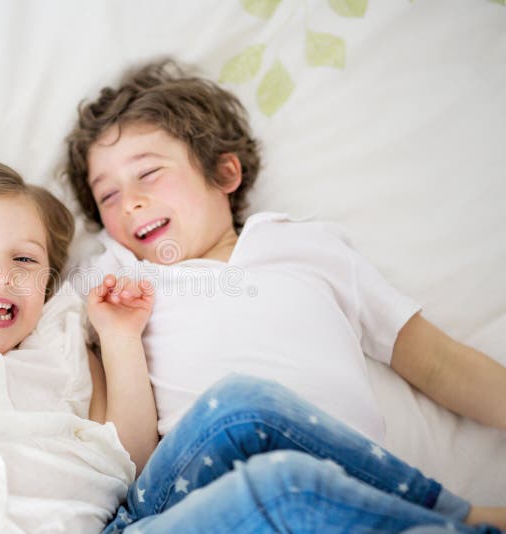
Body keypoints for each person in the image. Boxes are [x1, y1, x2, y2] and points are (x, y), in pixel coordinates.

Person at [0, 161, 501, 532]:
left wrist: (119, 339)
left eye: (25, 261)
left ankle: (465, 516)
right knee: (283, 492)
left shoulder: (63, 344)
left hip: (125, 522)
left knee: (240, 404)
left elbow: (128, 461)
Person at [63, 60, 506, 531]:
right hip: (183, 507)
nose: (128, 201)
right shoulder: (116, 279)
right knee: (241, 409)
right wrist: (118, 338)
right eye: (107, 196)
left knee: (293, 482)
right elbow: (122, 459)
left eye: (148, 173)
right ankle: (471, 520)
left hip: (329, 506)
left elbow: (435, 360)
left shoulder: (307, 247)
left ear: (224, 172)